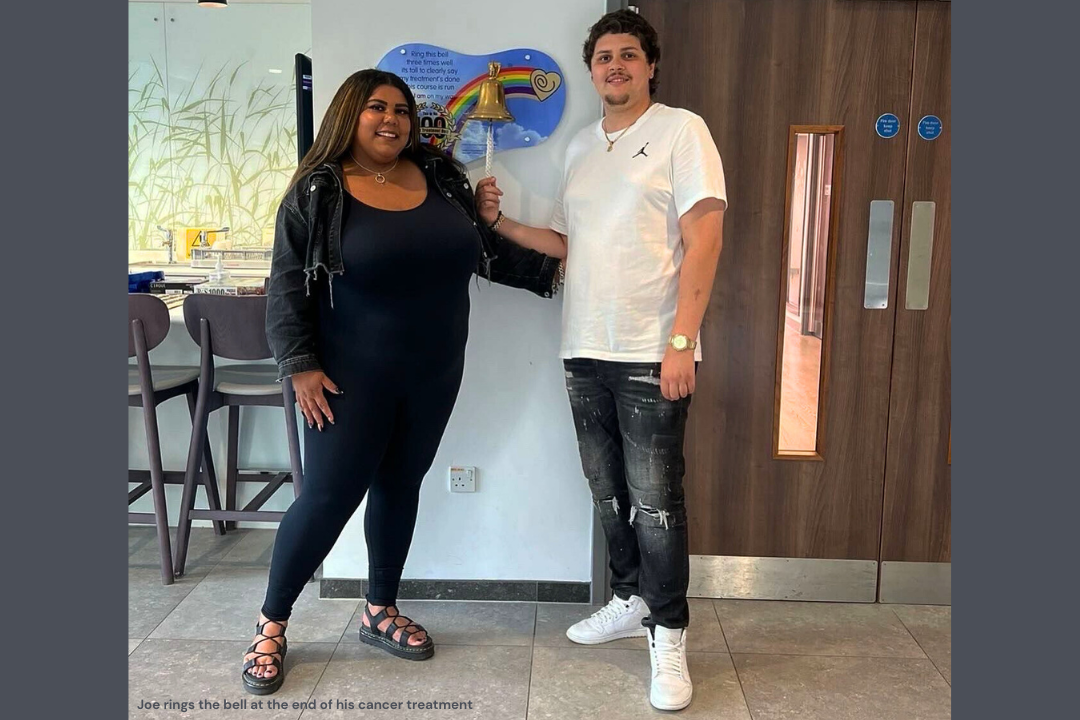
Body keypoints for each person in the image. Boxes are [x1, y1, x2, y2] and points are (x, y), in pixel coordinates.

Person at [244, 69, 561, 695]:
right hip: (345, 378)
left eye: (401, 110)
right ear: (348, 116)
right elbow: (285, 286)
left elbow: (476, 253)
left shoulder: (441, 178)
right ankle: (271, 625)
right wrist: (300, 365)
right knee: (329, 497)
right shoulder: (319, 190)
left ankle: (379, 608)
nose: (391, 120)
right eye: (375, 108)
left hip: (434, 371)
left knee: (400, 484)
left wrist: (554, 265)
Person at [474, 9, 726, 712]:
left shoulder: (682, 131)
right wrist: (497, 223)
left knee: (657, 506)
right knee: (608, 492)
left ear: (649, 65)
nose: (614, 66)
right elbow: (565, 242)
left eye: (627, 55)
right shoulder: (581, 145)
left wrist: (682, 342)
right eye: (603, 57)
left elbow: (704, 239)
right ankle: (628, 600)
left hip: (652, 349)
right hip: (582, 344)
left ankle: (670, 635)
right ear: (591, 70)